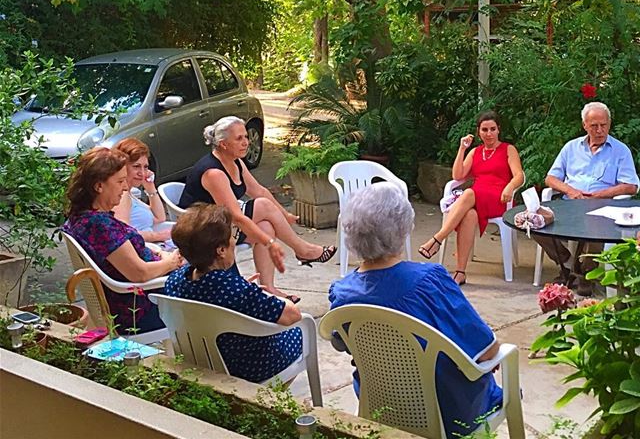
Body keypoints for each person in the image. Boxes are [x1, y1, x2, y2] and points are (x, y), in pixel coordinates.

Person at [329, 182, 503, 439]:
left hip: (382, 406)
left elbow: (340, 344)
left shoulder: (342, 294)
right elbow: (488, 349)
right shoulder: (429, 281)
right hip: (450, 413)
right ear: (402, 229)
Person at [178, 116, 336, 299]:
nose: (246, 142)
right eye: (239, 138)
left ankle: (268, 289)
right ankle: (303, 250)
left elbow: (259, 191)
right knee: (261, 209)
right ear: (223, 144)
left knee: (266, 226)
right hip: (200, 230)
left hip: (220, 222)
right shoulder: (214, 173)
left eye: (246, 136)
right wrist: (270, 243)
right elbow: (236, 217)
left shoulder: (235, 161)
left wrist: (283, 214)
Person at [165, 203, 303, 383]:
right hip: (243, 365)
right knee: (299, 332)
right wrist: (268, 295)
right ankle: (268, 400)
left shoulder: (174, 281)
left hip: (198, 358)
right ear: (221, 250)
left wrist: (245, 288)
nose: (234, 242)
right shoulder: (234, 290)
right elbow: (292, 315)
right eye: (233, 236)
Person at [63, 147, 183, 333]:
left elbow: (125, 252)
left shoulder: (83, 217)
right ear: (98, 186)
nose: (126, 187)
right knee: (214, 279)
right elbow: (139, 274)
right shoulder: (100, 225)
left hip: (141, 295)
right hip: (141, 308)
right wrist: (172, 262)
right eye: (120, 181)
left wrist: (155, 251)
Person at [533, 102, 638, 295]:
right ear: (585, 126)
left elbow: (631, 186)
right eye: (594, 126)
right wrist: (571, 191)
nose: (599, 130)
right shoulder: (571, 148)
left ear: (609, 123)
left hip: (602, 207)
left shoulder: (620, 151)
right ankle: (569, 263)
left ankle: (587, 272)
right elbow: (550, 178)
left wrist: (599, 195)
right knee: (533, 222)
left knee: (599, 230)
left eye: (603, 125)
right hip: (570, 205)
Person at [418, 111, 524, 285]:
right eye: (484, 130)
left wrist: (510, 187)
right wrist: (462, 148)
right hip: (476, 198)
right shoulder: (475, 152)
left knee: (468, 193)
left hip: (498, 197)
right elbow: (457, 174)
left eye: (492, 129)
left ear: (499, 130)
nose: (489, 134)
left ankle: (437, 239)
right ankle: (460, 272)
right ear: (478, 132)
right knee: (469, 216)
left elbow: (519, 175)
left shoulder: (508, 149)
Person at [113, 138, 173, 244]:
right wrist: (158, 236)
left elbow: (159, 218)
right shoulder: (122, 195)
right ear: (122, 167)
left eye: (145, 167)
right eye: (136, 166)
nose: (142, 172)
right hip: (147, 250)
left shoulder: (130, 193)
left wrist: (150, 187)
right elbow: (123, 234)